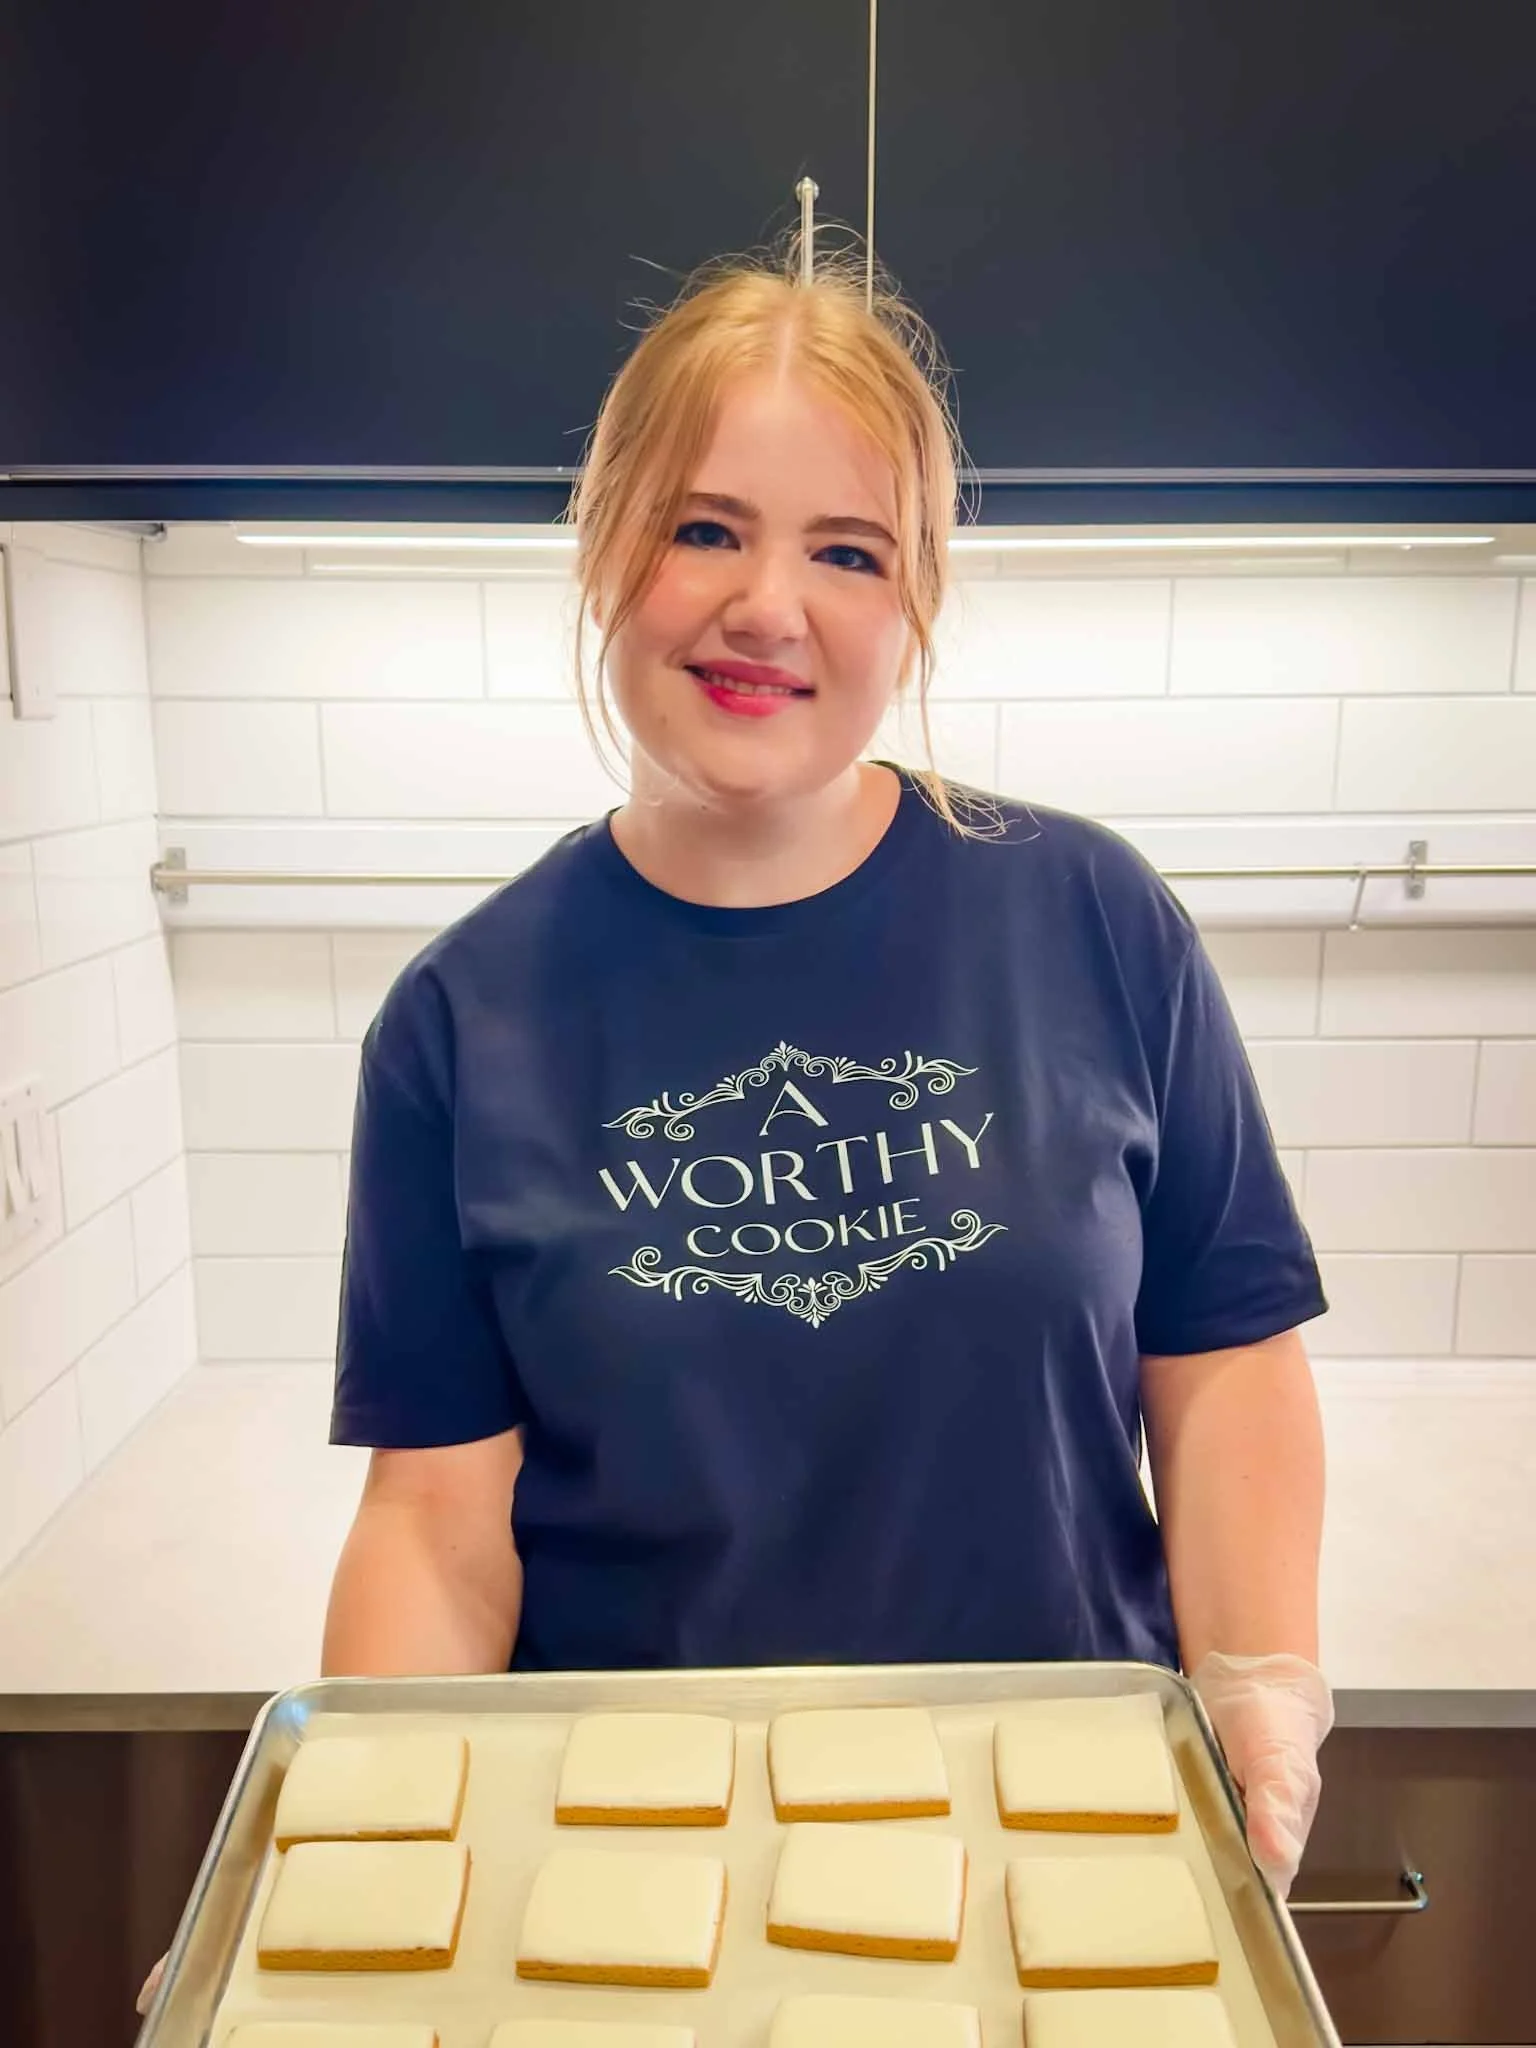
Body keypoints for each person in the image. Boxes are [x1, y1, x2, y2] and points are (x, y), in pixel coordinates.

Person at [322, 247, 1335, 1898]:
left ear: (913, 599)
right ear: (606, 551)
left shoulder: (1088, 914)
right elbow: (437, 1520)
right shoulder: (462, 1016)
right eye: (703, 526)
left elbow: (1220, 1366)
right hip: (633, 1845)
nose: (766, 607)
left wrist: (1259, 1683)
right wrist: (351, 1848)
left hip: (1057, 1811)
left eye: (847, 551)